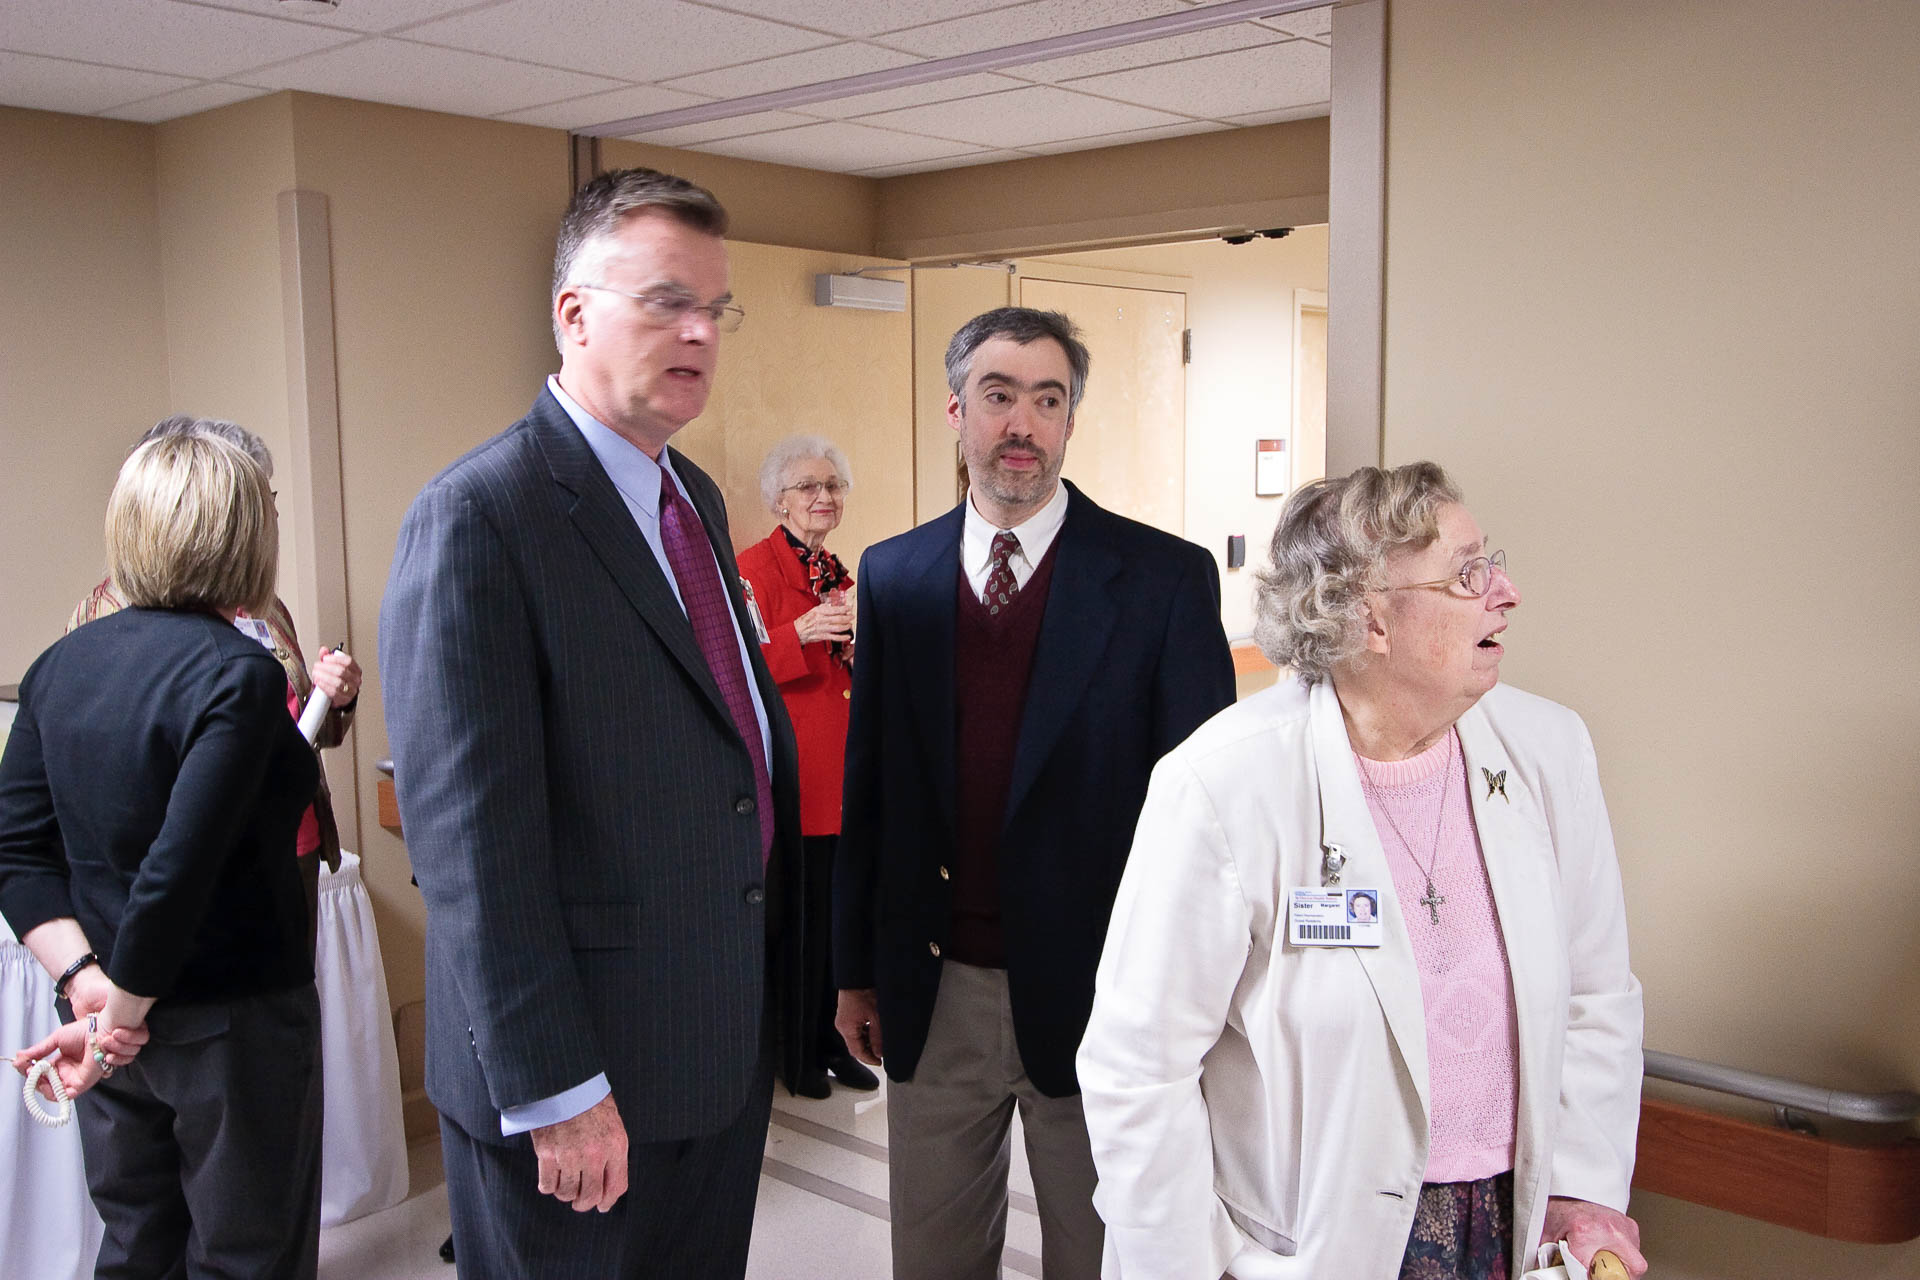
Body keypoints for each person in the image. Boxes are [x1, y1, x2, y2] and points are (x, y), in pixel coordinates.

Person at [380, 166, 806, 1279]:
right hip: (579, 1085)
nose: (701, 331)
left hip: (708, 1049)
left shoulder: (691, 498)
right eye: (666, 300)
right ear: (573, 313)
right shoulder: (482, 516)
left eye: (717, 308)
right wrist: (559, 1089)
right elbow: (471, 849)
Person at [1077, 462, 1646, 1280]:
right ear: (1369, 618)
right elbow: (1138, 1069)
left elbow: (1598, 997)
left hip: (1510, 1228)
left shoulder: (1551, 752)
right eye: (1468, 573)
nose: (1507, 592)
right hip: (1306, 1246)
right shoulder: (1223, 784)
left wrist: (1582, 1195)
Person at [835, 306, 1237, 1278]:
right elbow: (872, 788)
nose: (1023, 422)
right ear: (957, 411)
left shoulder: (1161, 581)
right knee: (931, 1256)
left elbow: (1211, 820)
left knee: (1102, 1256)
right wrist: (854, 968)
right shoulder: (896, 575)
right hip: (938, 990)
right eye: (1000, 395)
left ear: (1069, 420)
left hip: (1110, 992)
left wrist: (1202, 998)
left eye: (1047, 400)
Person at [1, 431, 325, 1277]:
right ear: (248, 536)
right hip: (230, 1025)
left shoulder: (56, 668)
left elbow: (17, 852)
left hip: (107, 1013)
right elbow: (179, 870)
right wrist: (121, 1018)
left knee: (138, 1241)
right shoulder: (239, 674)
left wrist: (87, 989)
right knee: (249, 1253)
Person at [68, 415, 363, 945]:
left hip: (289, 840)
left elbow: (291, 721)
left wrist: (334, 700)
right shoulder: (104, 617)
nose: (269, 513)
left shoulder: (268, 608)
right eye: (254, 497)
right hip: (191, 861)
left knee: (284, 1007)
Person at [735, 436, 878, 1098]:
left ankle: (830, 1042)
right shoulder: (751, 572)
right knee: (794, 932)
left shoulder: (842, 576)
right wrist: (799, 635)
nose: (825, 497)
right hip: (792, 786)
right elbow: (730, 678)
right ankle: (793, 1057)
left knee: (835, 929)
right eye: (808, 487)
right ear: (779, 500)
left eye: (834, 486)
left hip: (846, 786)